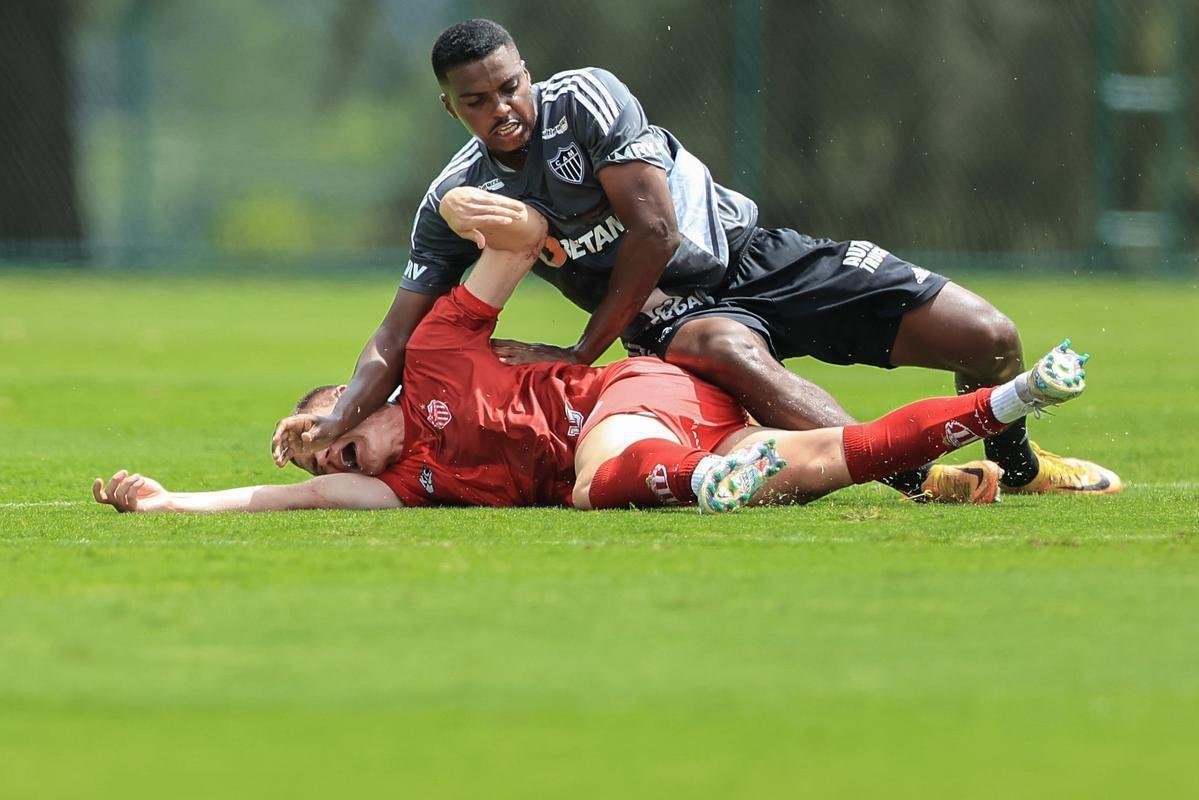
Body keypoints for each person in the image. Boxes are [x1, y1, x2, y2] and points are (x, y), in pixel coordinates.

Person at [269, 18, 1119, 501]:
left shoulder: (588, 99)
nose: (502, 109)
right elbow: (395, 336)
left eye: (509, 86)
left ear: (527, 72)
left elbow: (655, 231)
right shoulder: (454, 194)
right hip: (661, 310)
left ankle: (1018, 467)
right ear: (450, 107)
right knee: (718, 347)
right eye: (477, 101)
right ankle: (912, 475)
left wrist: (579, 353)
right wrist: (341, 417)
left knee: (986, 334)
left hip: (752, 254)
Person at [96, 195, 1093, 515]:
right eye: (324, 455)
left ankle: (709, 478)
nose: (326, 459)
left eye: (332, 434)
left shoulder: (437, 349)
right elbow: (289, 502)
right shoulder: (404, 481)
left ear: (366, 400)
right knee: (838, 457)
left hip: (632, 398)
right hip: (680, 426)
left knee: (595, 478)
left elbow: (517, 240)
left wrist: (458, 204)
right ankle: (1005, 401)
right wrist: (170, 502)